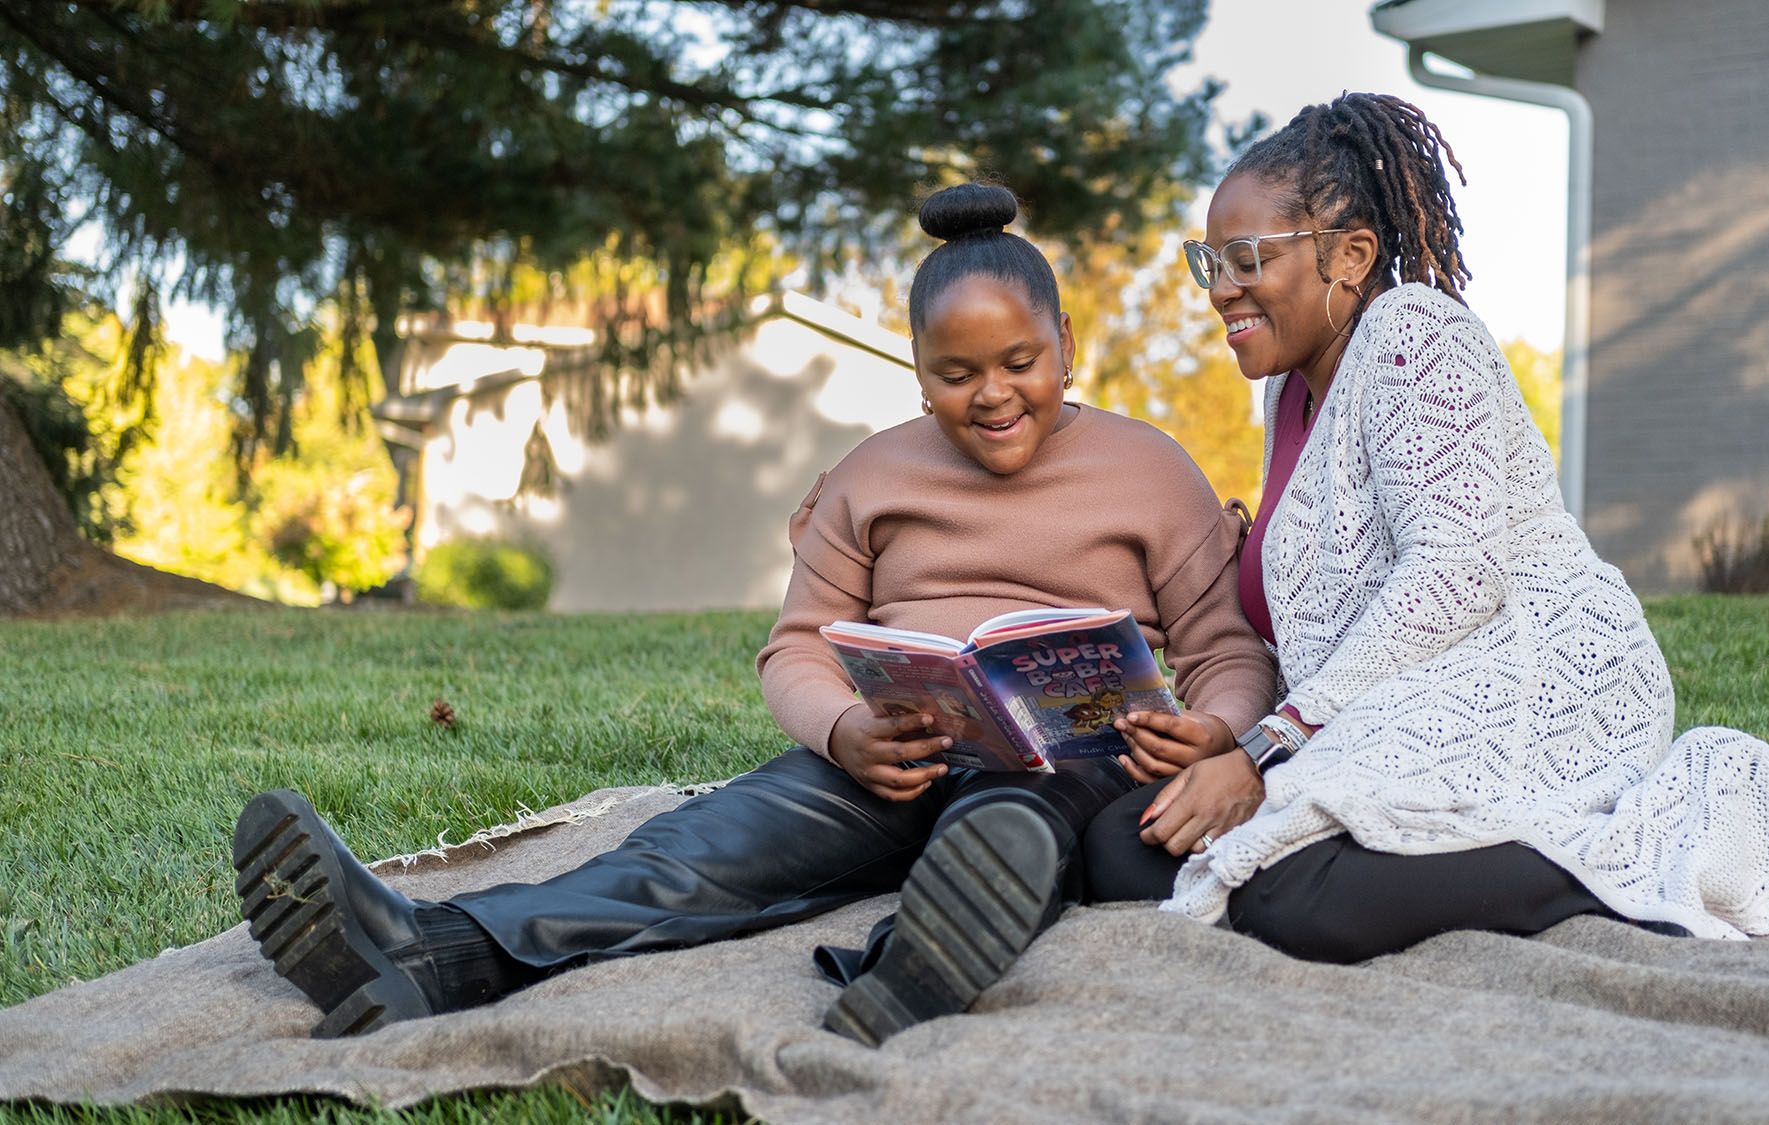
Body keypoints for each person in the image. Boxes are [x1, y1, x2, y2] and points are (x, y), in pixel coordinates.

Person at [231, 182, 1275, 1046]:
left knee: (1008, 828)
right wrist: (843, 729)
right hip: (887, 751)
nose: (991, 396)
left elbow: (1227, 650)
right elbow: (795, 648)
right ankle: (426, 952)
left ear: (1065, 345)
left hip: (1066, 762)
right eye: (954, 376)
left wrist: (1211, 728)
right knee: (697, 848)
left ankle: (908, 969)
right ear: (918, 375)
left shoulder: (1151, 472)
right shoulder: (871, 477)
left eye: (1018, 365)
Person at [1084, 93, 1769, 963]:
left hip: (1523, 689)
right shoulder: (1287, 394)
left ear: (1349, 256)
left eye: (1246, 258)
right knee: (1126, 838)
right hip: (1374, 713)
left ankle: (1713, 831)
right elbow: (1327, 626)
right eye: (1211, 260)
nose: (1222, 288)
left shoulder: (1414, 335)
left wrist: (1273, 745)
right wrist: (1232, 740)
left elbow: (1456, 575)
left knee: (1295, 896)